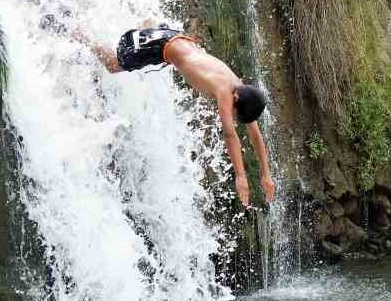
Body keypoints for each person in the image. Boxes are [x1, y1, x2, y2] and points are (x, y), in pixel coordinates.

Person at [79, 21, 275, 207]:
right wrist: (241, 176)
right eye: (234, 114)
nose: (231, 117)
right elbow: (230, 135)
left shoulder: (239, 86)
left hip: (175, 37)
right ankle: (80, 33)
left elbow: (255, 134)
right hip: (160, 48)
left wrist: (266, 174)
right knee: (114, 65)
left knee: (151, 31)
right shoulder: (225, 93)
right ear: (236, 99)